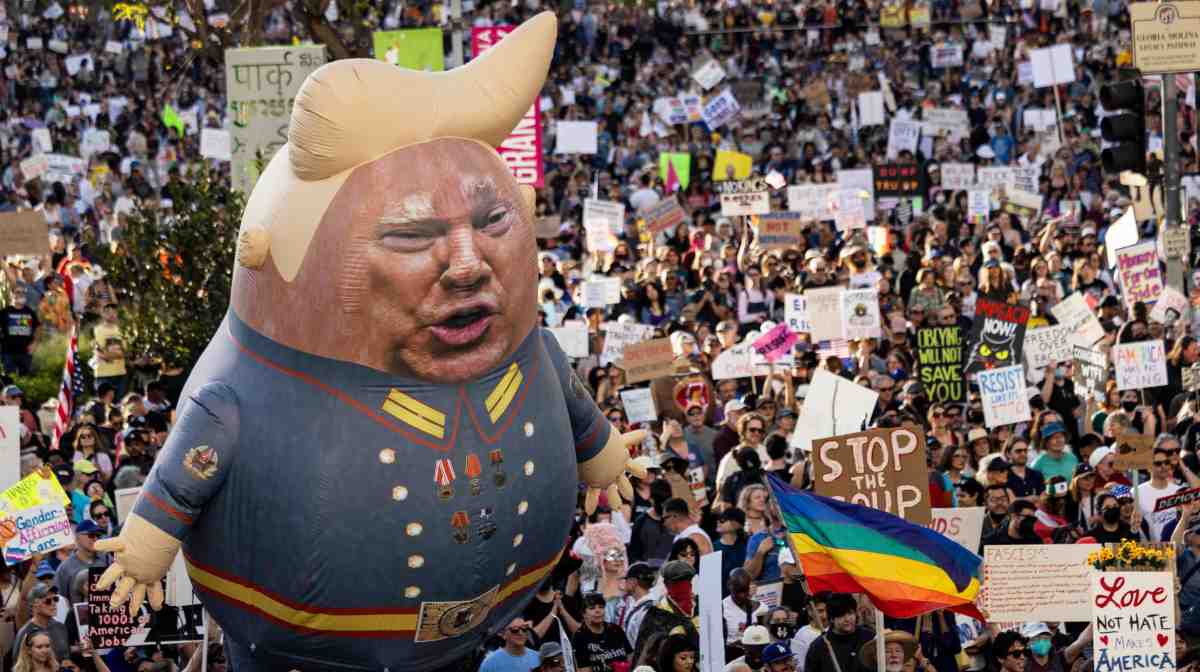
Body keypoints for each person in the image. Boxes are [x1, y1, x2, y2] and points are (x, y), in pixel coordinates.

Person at [633, 561, 698, 664]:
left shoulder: (701, 607)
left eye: (685, 582)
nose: (682, 589)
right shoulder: (656, 615)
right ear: (666, 585)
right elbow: (645, 652)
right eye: (676, 584)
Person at [802, 594, 874, 672]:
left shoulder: (870, 638)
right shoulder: (819, 646)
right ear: (832, 619)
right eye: (841, 615)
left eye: (850, 613)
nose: (847, 619)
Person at [572, 592, 631, 672]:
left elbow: (630, 657)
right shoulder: (580, 637)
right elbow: (584, 669)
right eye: (592, 608)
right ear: (584, 614)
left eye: (601, 607)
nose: (597, 611)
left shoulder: (616, 629)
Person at [53, 520, 109, 599]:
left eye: (98, 536)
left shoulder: (107, 559)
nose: (95, 539)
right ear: (78, 537)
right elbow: (60, 599)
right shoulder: (65, 568)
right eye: (91, 535)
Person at [13, 584, 69, 662]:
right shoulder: (25, 633)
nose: (54, 603)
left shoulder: (60, 627)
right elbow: (18, 666)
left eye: (55, 599)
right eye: (48, 601)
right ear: (35, 604)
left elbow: (66, 657)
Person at [0, 289, 39, 376]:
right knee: (10, 378)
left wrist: (35, 342)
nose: (21, 294)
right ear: (12, 295)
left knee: (25, 378)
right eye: (18, 292)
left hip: (26, 352)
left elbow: (38, 327)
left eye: (23, 293)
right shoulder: (4, 312)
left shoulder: (30, 312)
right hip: (8, 352)